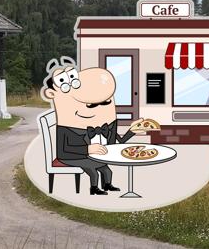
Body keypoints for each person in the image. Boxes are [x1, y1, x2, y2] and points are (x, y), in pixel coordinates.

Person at [42, 57, 142, 195]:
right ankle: (94, 188)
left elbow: (120, 141)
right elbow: (64, 149)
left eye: (106, 102)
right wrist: (88, 149)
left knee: (106, 169)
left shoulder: (105, 126)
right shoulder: (66, 128)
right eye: (91, 105)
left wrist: (133, 130)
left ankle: (107, 185)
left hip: (91, 154)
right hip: (70, 156)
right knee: (92, 169)